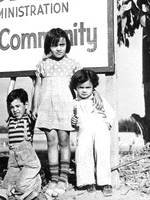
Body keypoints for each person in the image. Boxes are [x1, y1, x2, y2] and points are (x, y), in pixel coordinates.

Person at [32, 28, 102, 198]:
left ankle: (63, 179)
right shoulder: (43, 64)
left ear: (67, 45)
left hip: (66, 106)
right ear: (48, 46)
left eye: (62, 45)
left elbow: (85, 83)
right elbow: (37, 87)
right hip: (47, 107)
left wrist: (96, 93)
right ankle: (53, 179)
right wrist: (35, 107)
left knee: (64, 141)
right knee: (51, 141)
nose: (58, 48)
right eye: (55, 45)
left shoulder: (73, 64)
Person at [70, 69, 115, 197]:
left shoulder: (98, 100)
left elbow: (110, 113)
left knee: (102, 152)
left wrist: (107, 124)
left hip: (100, 128)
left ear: (93, 87)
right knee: (84, 152)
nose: (84, 90)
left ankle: (105, 182)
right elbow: (74, 122)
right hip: (84, 130)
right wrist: (73, 122)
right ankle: (88, 181)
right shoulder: (75, 103)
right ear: (76, 88)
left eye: (88, 87)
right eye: (81, 87)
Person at [2, 79, 41, 200]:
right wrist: (13, 79)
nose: (15, 110)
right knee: (6, 186)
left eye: (18, 106)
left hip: (28, 159)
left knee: (21, 186)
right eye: (12, 107)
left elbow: (35, 103)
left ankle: (37, 182)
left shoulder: (28, 118)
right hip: (13, 160)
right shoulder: (11, 119)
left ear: (26, 105)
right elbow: (7, 99)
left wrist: (35, 82)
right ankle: (16, 190)